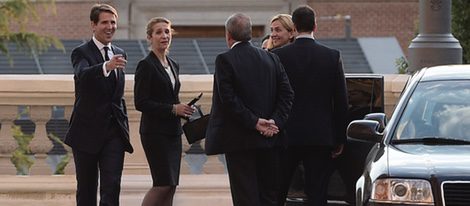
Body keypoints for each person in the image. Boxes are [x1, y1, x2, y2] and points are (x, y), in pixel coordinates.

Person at [204, 13, 294, 206]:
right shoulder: (271, 59)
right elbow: (287, 95)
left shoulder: (224, 60)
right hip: (270, 141)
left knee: (245, 197)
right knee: (269, 197)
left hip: (239, 143)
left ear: (228, 35)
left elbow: (228, 100)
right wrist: (274, 122)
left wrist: (254, 123)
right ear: (250, 34)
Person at [272, 5, 348, 206]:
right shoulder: (332, 56)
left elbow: (273, 96)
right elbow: (341, 100)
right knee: (317, 193)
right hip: (320, 137)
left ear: (294, 27)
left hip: (286, 134)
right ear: (315, 25)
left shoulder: (279, 56)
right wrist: (339, 137)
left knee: (278, 191)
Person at [65, 3, 133, 206]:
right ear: (93, 25)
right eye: (104, 22)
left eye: (113, 22)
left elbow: (117, 95)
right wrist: (106, 66)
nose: (110, 26)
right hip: (86, 132)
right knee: (86, 189)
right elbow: (83, 76)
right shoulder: (81, 52)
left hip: (114, 133)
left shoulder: (120, 52)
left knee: (112, 187)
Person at [134, 17, 194, 206]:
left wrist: (183, 109)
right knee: (162, 184)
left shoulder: (173, 64)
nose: (164, 35)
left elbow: (170, 97)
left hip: (173, 132)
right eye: (159, 32)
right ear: (149, 38)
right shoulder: (146, 65)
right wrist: (172, 109)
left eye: (167, 31)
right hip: (155, 133)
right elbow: (141, 102)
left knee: (171, 185)